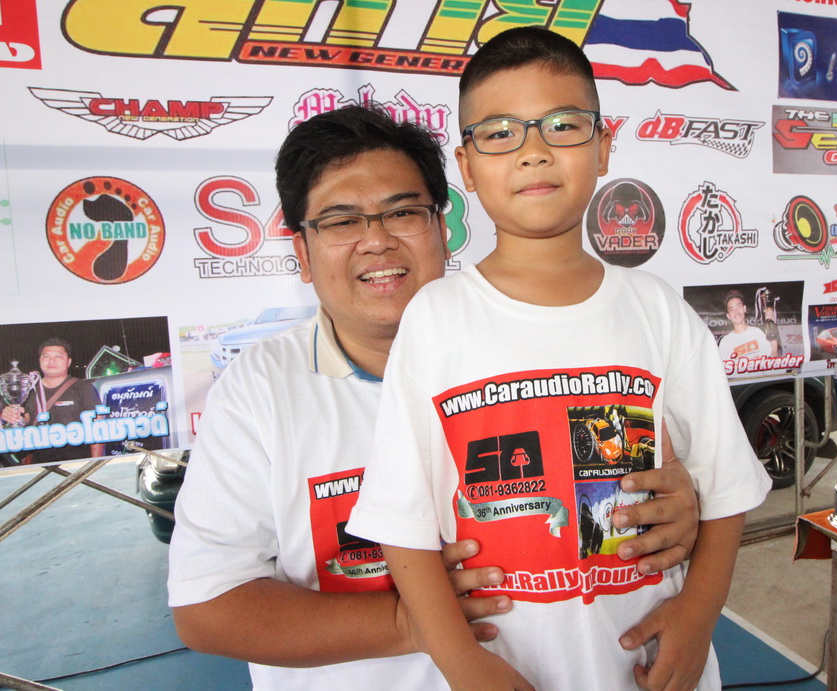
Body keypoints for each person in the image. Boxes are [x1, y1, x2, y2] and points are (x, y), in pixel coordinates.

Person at [167, 105, 702, 689]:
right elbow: (207, 608)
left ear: (444, 230)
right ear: (301, 252)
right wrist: (417, 621)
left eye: (403, 212)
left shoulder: (552, 348)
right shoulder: (260, 390)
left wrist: (678, 517)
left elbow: (626, 508)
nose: (377, 241)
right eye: (342, 221)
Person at [346, 27, 771, 691]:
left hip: (647, 663)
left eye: (563, 125)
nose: (533, 151)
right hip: (503, 666)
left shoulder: (657, 309)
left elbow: (725, 489)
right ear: (465, 166)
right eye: (499, 132)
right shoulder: (435, 317)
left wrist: (696, 617)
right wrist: (462, 662)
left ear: (602, 146)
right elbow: (402, 521)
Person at [0, 337, 105, 462]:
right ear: (40, 360)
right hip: (40, 463)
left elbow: (97, 428)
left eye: (58, 356)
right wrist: (11, 414)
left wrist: (95, 464)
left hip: (76, 462)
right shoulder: (29, 390)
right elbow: (26, 418)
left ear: (68, 362)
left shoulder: (83, 387)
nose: (51, 361)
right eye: (46, 356)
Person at [718, 289, 778, 360]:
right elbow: (723, 366)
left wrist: (771, 321)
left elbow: (773, 353)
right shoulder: (725, 342)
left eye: (738, 306)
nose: (736, 312)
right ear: (728, 316)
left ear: (744, 308)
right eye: (731, 309)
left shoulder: (757, 332)